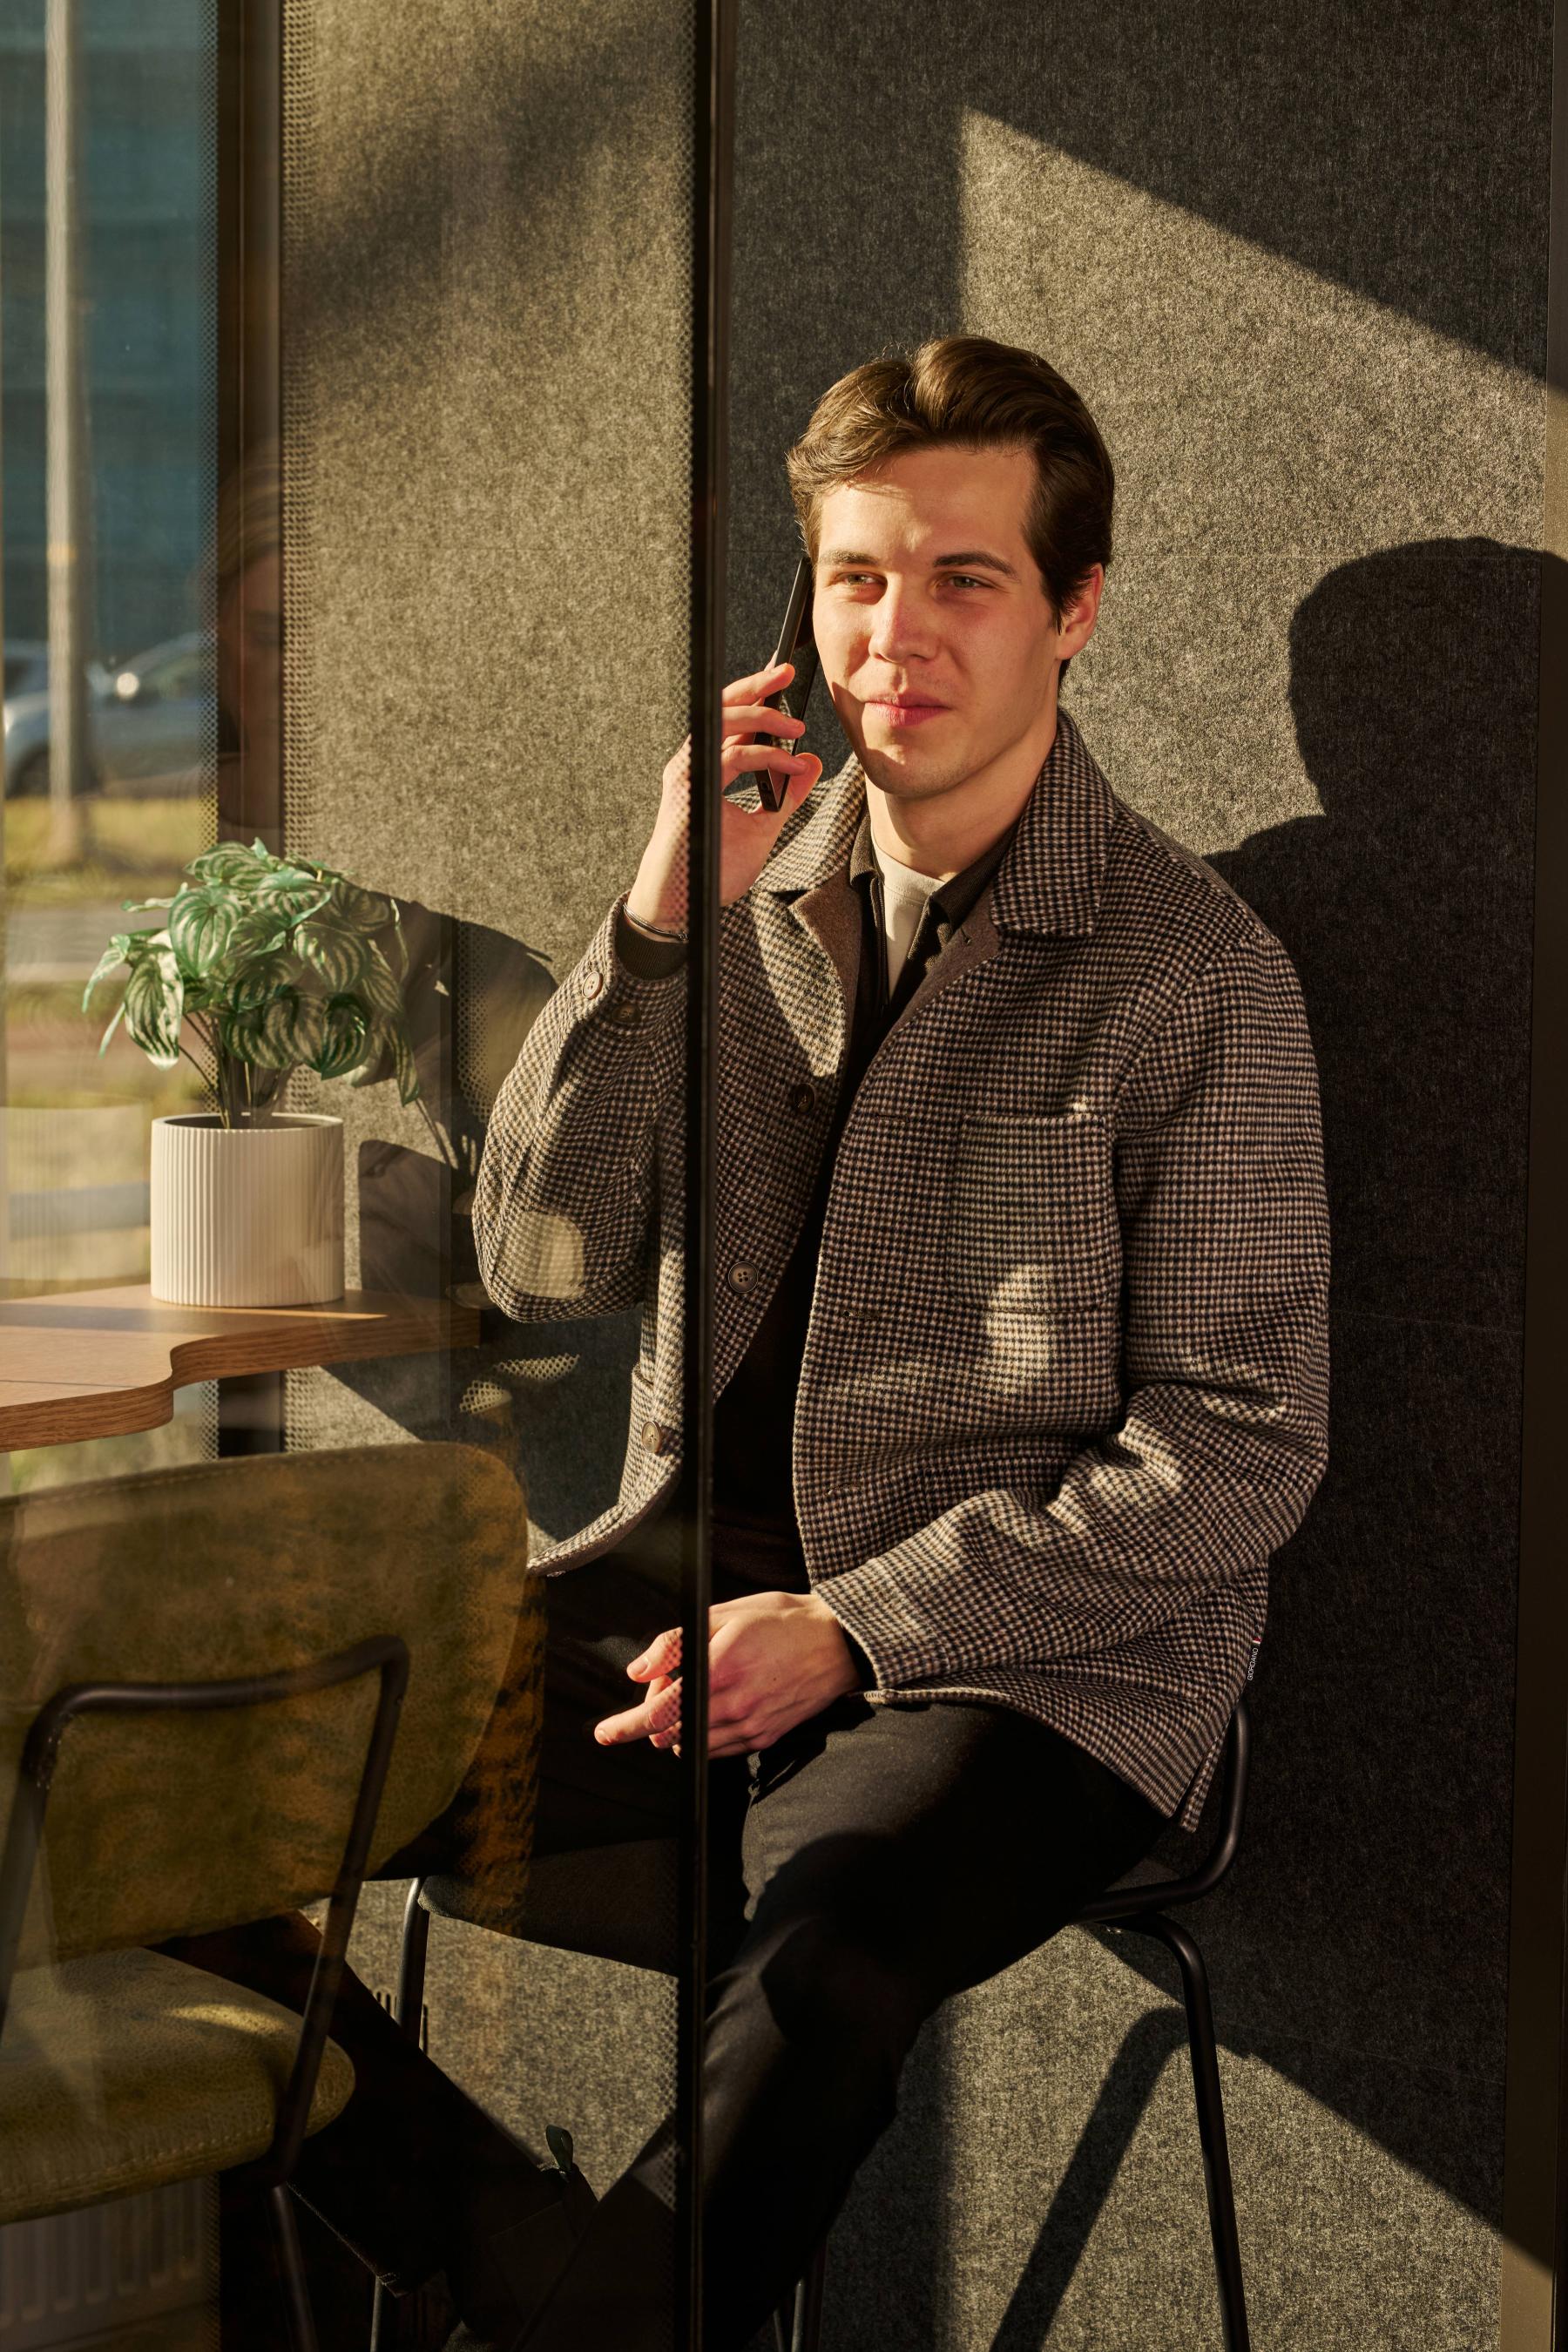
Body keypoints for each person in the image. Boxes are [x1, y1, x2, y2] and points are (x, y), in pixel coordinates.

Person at [179, 334, 1329, 2352]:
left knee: (821, 1967)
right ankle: (515, 2269)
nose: (898, 633)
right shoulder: (739, 904)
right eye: (857, 577)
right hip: (660, 1612)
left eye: (965, 578)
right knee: (164, 1802)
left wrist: (856, 1626)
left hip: (1026, 1671)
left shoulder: (1193, 978)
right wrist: (651, 928)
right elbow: (544, 1257)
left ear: (1075, 611)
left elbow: (1238, 1446)